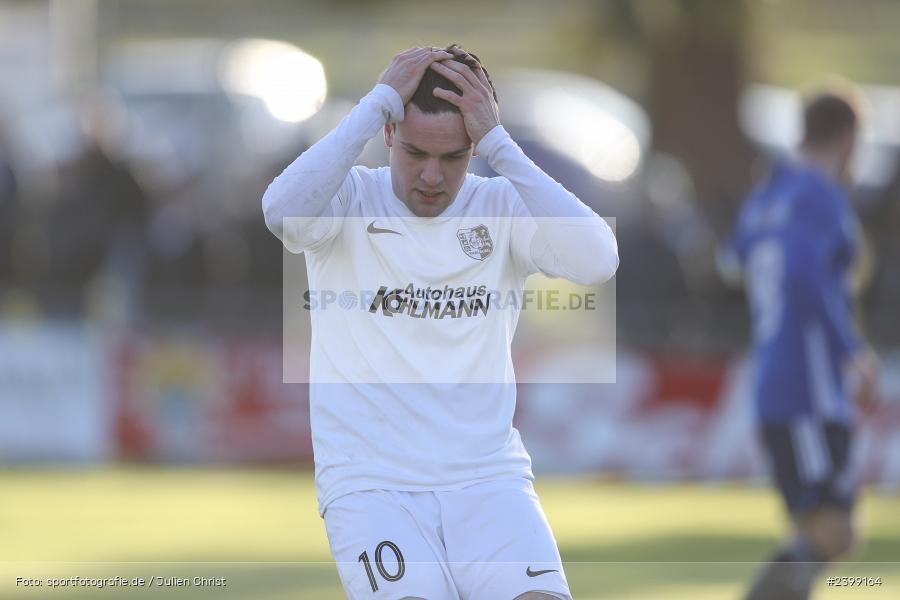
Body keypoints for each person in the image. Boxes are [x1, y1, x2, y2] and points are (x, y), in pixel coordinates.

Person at [262, 44, 618, 599]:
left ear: (473, 147)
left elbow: (598, 259)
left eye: (453, 157)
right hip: (372, 487)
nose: (431, 175)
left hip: (488, 481)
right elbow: (279, 212)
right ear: (388, 135)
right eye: (414, 152)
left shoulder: (499, 207)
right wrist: (375, 102)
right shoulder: (348, 200)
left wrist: (501, 144)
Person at [724, 86, 879, 600]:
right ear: (850, 137)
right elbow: (805, 274)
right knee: (831, 529)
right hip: (808, 385)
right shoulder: (819, 195)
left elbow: (733, 260)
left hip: (774, 379)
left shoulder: (769, 195)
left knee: (822, 532)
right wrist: (851, 351)